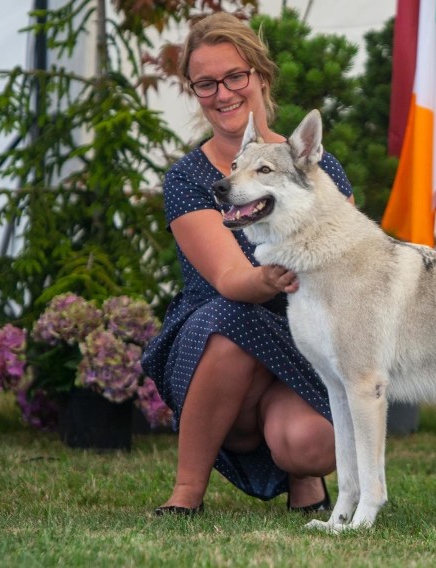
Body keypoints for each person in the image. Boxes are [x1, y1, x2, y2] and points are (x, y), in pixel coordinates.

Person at [142, 11, 353, 515]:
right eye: (206, 83)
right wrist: (272, 276)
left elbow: (347, 261)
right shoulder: (189, 179)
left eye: (235, 76)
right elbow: (230, 279)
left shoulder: (316, 165)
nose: (223, 93)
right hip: (215, 344)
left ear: (259, 75)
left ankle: (305, 477)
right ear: (195, 91)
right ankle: (186, 492)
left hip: (298, 341)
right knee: (231, 319)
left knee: (312, 444)